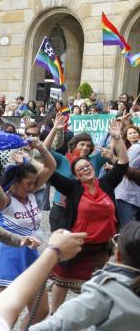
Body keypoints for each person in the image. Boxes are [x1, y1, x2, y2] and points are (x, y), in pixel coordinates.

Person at [0, 141, 56, 331]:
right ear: (15, 182)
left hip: (32, 257)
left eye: (35, 182)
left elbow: (50, 167)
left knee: (41, 309)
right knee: (7, 312)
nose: (33, 186)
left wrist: (38, 149)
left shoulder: (33, 193)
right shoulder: (4, 201)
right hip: (8, 258)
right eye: (29, 183)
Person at [47, 120, 129, 312]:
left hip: (101, 248)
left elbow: (123, 164)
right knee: (62, 280)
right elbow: (49, 169)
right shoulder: (73, 187)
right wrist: (50, 136)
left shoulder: (106, 183)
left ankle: (91, 315)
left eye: (87, 166)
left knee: (97, 284)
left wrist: (117, 138)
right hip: (77, 246)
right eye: (80, 168)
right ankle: (54, 314)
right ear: (76, 175)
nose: (85, 168)